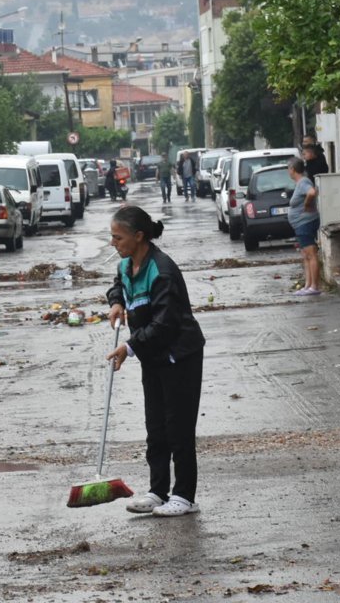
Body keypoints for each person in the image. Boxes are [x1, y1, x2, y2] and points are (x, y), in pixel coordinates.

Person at [105, 207, 206, 517]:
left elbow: (166, 323)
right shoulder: (127, 265)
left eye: (118, 237)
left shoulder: (162, 270)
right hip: (153, 357)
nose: (113, 243)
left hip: (179, 355)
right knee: (156, 426)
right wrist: (116, 301)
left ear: (138, 237)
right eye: (112, 237)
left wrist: (130, 346)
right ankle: (158, 491)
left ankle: (184, 496)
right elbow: (118, 285)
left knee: (179, 426)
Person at [287, 158, 322, 296]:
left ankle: (314, 286)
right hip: (301, 224)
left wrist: (307, 204)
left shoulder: (303, 182)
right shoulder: (300, 183)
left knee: (311, 254)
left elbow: (312, 192)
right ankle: (308, 285)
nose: (288, 171)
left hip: (305, 223)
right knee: (305, 255)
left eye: (288, 169)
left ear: (292, 169)